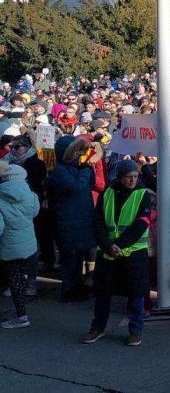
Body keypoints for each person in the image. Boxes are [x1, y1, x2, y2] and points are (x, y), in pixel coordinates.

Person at [82, 160, 152, 346]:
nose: (132, 180)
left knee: (135, 294)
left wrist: (119, 244)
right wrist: (107, 245)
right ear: (120, 177)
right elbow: (97, 221)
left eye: (135, 176)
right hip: (108, 253)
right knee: (103, 292)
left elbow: (142, 223)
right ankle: (97, 327)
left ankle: (135, 330)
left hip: (133, 253)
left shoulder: (143, 195)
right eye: (128, 177)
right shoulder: (108, 193)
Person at [47, 136, 98, 302]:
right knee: (70, 259)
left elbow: (91, 183)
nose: (78, 155)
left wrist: (87, 167)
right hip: (68, 221)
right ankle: (69, 289)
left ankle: (78, 286)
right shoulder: (59, 170)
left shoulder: (76, 168)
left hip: (81, 218)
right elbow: (75, 187)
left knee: (79, 257)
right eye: (76, 151)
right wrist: (84, 170)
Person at [0, 162, 40, 329]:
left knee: (14, 279)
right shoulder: (31, 195)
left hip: (9, 246)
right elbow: (35, 212)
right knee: (20, 278)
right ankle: (19, 311)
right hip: (28, 244)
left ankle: (21, 316)